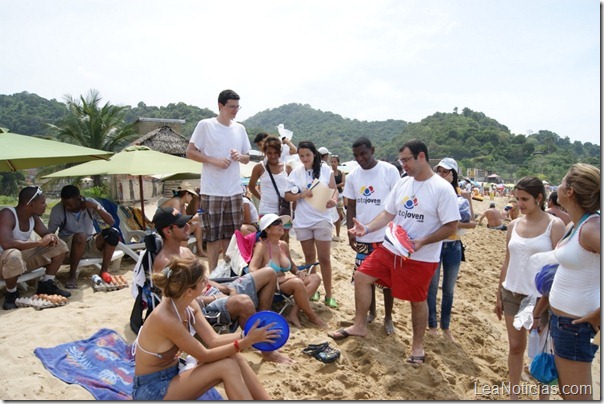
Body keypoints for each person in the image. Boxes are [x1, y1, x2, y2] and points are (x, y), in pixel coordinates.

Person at [328, 139, 460, 365]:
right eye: (401, 161)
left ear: (421, 157)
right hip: (390, 248)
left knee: (418, 301)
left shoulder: (442, 188)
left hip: (421, 256)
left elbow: (451, 226)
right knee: (361, 276)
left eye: (406, 160)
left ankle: (417, 346)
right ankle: (360, 325)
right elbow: (388, 214)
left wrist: (423, 241)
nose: (403, 165)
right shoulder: (403, 183)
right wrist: (367, 228)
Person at [150, 207, 292, 364]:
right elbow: (184, 302)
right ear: (168, 232)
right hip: (204, 303)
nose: (188, 226)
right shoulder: (165, 262)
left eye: (187, 222)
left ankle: (262, 320)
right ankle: (266, 349)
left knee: (269, 273)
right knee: (243, 301)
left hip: (217, 290)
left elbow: (205, 280)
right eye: (182, 225)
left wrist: (226, 288)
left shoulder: (185, 252)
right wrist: (219, 295)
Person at [132, 255, 276, 400]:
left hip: (172, 373)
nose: (207, 282)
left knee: (233, 355)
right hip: (152, 389)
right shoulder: (166, 318)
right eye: (203, 280)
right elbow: (204, 355)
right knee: (226, 366)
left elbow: (214, 339)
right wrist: (246, 341)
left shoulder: (188, 304)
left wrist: (247, 335)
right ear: (189, 291)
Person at [494, 176, 565, 400]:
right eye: (517, 199)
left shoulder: (555, 225)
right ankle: (514, 395)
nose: (520, 204)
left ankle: (543, 398)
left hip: (540, 298)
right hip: (512, 293)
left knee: (541, 352)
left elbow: (559, 268)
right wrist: (498, 293)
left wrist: (547, 302)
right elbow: (507, 260)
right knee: (515, 347)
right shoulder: (514, 224)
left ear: (539, 198)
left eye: (524, 199)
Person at [546, 164, 600, 400]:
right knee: (569, 393)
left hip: (575, 326)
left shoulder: (592, 228)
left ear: (570, 191)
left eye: (562, 180)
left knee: (577, 396)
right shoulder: (574, 225)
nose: (558, 184)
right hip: (563, 321)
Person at [186, 89, 251, 273]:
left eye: (237, 107)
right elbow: (190, 152)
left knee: (231, 236)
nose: (235, 110)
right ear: (220, 106)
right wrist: (213, 160)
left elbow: (247, 157)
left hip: (234, 190)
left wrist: (240, 156)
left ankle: (228, 272)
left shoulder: (240, 128)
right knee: (213, 236)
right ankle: (214, 274)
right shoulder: (206, 125)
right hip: (212, 189)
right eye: (231, 107)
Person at [342, 137, 400, 335]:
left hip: (386, 238)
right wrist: (350, 231)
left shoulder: (389, 171)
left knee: (388, 282)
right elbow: (351, 206)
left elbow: (398, 203)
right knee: (365, 279)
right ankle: (372, 312)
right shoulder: (353, 176)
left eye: (363, 154)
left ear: (372, 150)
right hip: (363, 237)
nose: (360, 158)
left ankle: (389, 317)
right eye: (356, 155)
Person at [248, 213, 328, 329]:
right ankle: (312, 316)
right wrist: (269, 276)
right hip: (271, 284)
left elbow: (292, 266)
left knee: (315, 278)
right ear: (267, 229)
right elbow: (252, 268)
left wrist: (297, 272)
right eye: (276, 223)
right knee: (297, 283)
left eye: (281, 222)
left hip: (286, 281)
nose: (281, 225)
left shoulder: (283, 245)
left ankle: (293, 313)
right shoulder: (262, 246)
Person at [284, 141, 339, 308]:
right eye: (301, 156)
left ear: (314, 154)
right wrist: (301, 195)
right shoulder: (295, 173)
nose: (304, 158)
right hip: (303, 220)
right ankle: (313, 289)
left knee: (324, 259)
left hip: (322, 218)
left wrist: (333, 200)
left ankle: (329, 294)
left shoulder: (325, 169)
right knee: (309, 258)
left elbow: (334, 189)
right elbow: (287, 196)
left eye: (307, 155)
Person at [427, 158, 476, 342]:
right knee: (431, 287)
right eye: (439, 171)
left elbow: (472, 223)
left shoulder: (460, 195)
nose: (441, 175)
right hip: (436, 245)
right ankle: (432, 325)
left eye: (445, 172)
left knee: (448, 289)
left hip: (453, 246)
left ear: (453, 174)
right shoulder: (433, 192)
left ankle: (445, 327)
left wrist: (468, 202)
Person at [0, 186, 71, 310]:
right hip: (4, 263)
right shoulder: (7, 214)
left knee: (59, 244)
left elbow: (46, 234)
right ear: (31, 204)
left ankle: (46, 284)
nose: (46, 206)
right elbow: (6, 243)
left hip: (19, 260)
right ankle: (11, 293)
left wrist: (50, 237)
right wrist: (38, 243)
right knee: (13, 254)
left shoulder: (33, 218)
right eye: (42, 203)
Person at [48, 185, 119, 288]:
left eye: (70, 205)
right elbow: (50, 233)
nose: (67, 207)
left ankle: (103, 271)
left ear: (79, 199)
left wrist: (96, 207)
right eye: (65, 204)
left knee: (112, 234)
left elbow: (111, 221)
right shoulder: (57, 210)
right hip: (69, 246)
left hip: (89, 243)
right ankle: (72, 276)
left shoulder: (90, 203)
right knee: (81, 236)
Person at [248, 136, 293, 241]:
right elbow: (251, 186)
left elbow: (292, 189)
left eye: (275, 152)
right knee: (267, 239)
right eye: (269, 153)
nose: (273, 156)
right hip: (266, 209)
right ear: (265, 153)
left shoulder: (287, 167)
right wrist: (262, 197)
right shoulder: (259, 167)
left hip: (284, 209)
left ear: (280, 152)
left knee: (284, 239)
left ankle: (284, 257)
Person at [161, 181, 206, 257]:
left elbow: (183, 219)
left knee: (197, 225)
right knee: (184, 229)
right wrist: (193, 219)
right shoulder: (176, 202)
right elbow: (176, 220)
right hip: (165, 228)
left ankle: (200, 251)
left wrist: (192, 220)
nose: (192, 198)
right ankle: (181, 253)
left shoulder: (181, 203)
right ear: (186, 194)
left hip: (171, 227)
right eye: (191, 195)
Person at [330, 155, 346, 242]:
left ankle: (338, 234)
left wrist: (334, 186)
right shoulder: (329, 172)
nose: (333, 163)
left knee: (339, 214)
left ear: (338, 162)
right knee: (330, 214)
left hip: (339, 195)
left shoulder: (341, 173)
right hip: (330, 195)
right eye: (332, 162)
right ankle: (331, 233)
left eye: (334, 162)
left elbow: (343, 183)